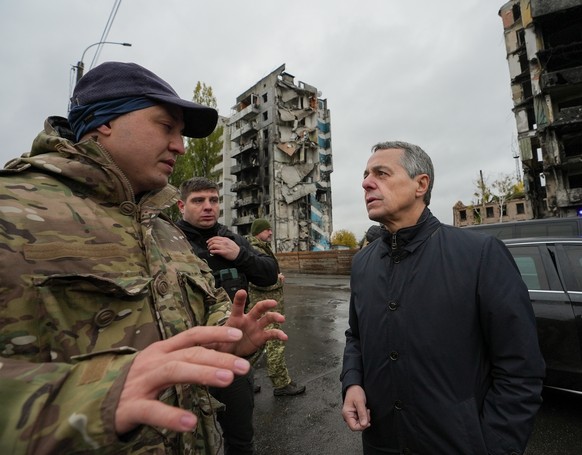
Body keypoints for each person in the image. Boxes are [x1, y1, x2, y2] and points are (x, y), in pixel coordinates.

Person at [0, 61, 288, 455]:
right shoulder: (10, 210)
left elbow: (203, 307)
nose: (180, 146)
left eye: (181, 134)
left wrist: (224, 334)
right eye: (166, 127)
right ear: (105, 120)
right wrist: (93, 395)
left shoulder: (162, 229)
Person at [340, 140, 546, 454]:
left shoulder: (479, 255)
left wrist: (495, 447)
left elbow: (520, 368)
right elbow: (356, 336)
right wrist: (353, 382)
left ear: (421, 184)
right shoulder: (363, 263)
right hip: (381, 442)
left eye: (381, 173)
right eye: (366, 174)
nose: (366, 182)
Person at [176, 178, 278, 455]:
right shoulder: (169, 240)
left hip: (232, 355)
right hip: (185, 359)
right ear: (182, 205)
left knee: (241, 439)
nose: (208, 207)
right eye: (199, 201)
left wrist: (239, 255)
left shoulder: (230, 237)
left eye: (213, 200)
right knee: (187, 440)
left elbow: (269, 273)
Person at [246, 218, 306, 397]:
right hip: (265, 305)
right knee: (275, 343)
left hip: (265, 304)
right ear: (258, 231)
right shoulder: (255, 250)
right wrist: (277, 280)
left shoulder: (259, 248)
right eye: (267, 230)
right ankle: (281, 384)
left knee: (255, 344)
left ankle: (241, 378)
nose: (271, 232)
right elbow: (257, 280)